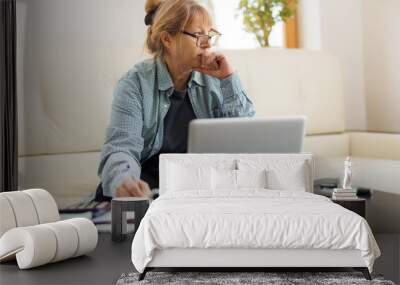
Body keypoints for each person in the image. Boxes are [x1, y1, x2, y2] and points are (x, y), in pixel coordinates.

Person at [95, 0, 255, 200]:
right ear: (167, 39)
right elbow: (122, 147)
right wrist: (125, 180)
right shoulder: (134, 84)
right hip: (151, 182)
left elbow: (245, 142)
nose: (207, 43)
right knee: (113, 194)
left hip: (202, 183)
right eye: (198, 35)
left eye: (210, 35)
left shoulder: (217, 79)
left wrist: (229, 79)